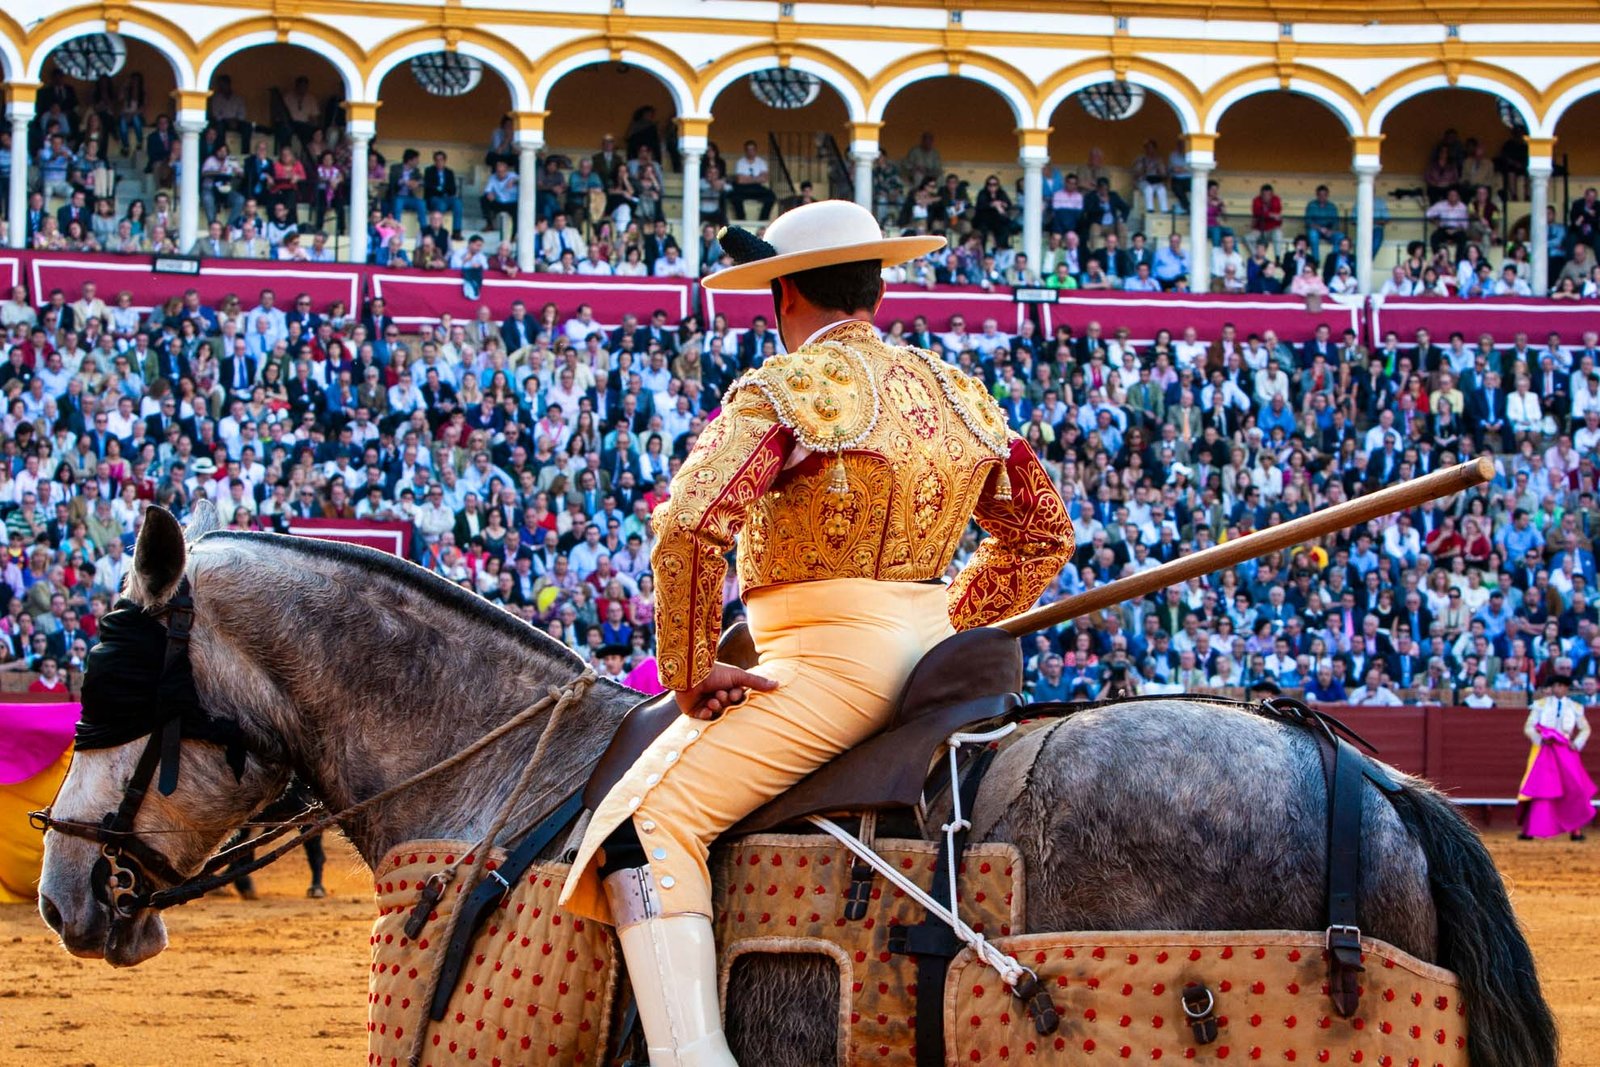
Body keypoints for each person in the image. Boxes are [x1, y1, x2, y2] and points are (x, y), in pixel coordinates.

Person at [557, 200, 1073, 1064]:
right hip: (934, 660)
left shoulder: (791, 387)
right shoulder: (960, 394)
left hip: (830, 667)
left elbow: (690, 524)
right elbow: (1045, 532)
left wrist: (688, 671)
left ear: (785, 292)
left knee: (644, 823)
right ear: (874, 288)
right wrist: (951, 619)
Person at [1517, 674, 1594, 841]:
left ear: (1566, 688)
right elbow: (1529, 727)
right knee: (1539, 789)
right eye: (1556, 685)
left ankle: (1576, 831)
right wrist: (1539, 740)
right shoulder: (1540, 705)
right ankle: (1529, 830)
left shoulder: (1575, 707)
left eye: (1561, 686)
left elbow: (1585, 729)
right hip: (1544, 751)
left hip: (1566, 752)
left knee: (1574, 789)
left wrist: (1577, 743)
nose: (1558, 688)